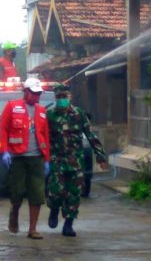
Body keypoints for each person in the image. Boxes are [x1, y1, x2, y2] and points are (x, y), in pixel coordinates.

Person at [46, 84, 107, 237]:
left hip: (76, 161)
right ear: (55, 98)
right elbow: (42, 136)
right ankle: (54, 210)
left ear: (69, 97)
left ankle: (68, 224)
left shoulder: (79, 114)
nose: (62, 100)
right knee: (57, 191)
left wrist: (100, 156)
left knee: (74, 193)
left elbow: (90, 135)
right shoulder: (49, 115)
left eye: (64, 97)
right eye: (59, 97)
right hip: (57, 159)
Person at [0, 77, 50, 240]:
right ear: (26, 92)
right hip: (18, 157)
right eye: (34, 93)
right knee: (17, 191)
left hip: (37, 158)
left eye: (39, 94)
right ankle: (14, 213)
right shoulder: (12, 107)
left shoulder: (42, 110)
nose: (37, 97)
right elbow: (4, 129)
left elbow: (45, 136)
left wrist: (47, 159)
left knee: (37, 193)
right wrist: (4, 151)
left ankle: (32, 229)